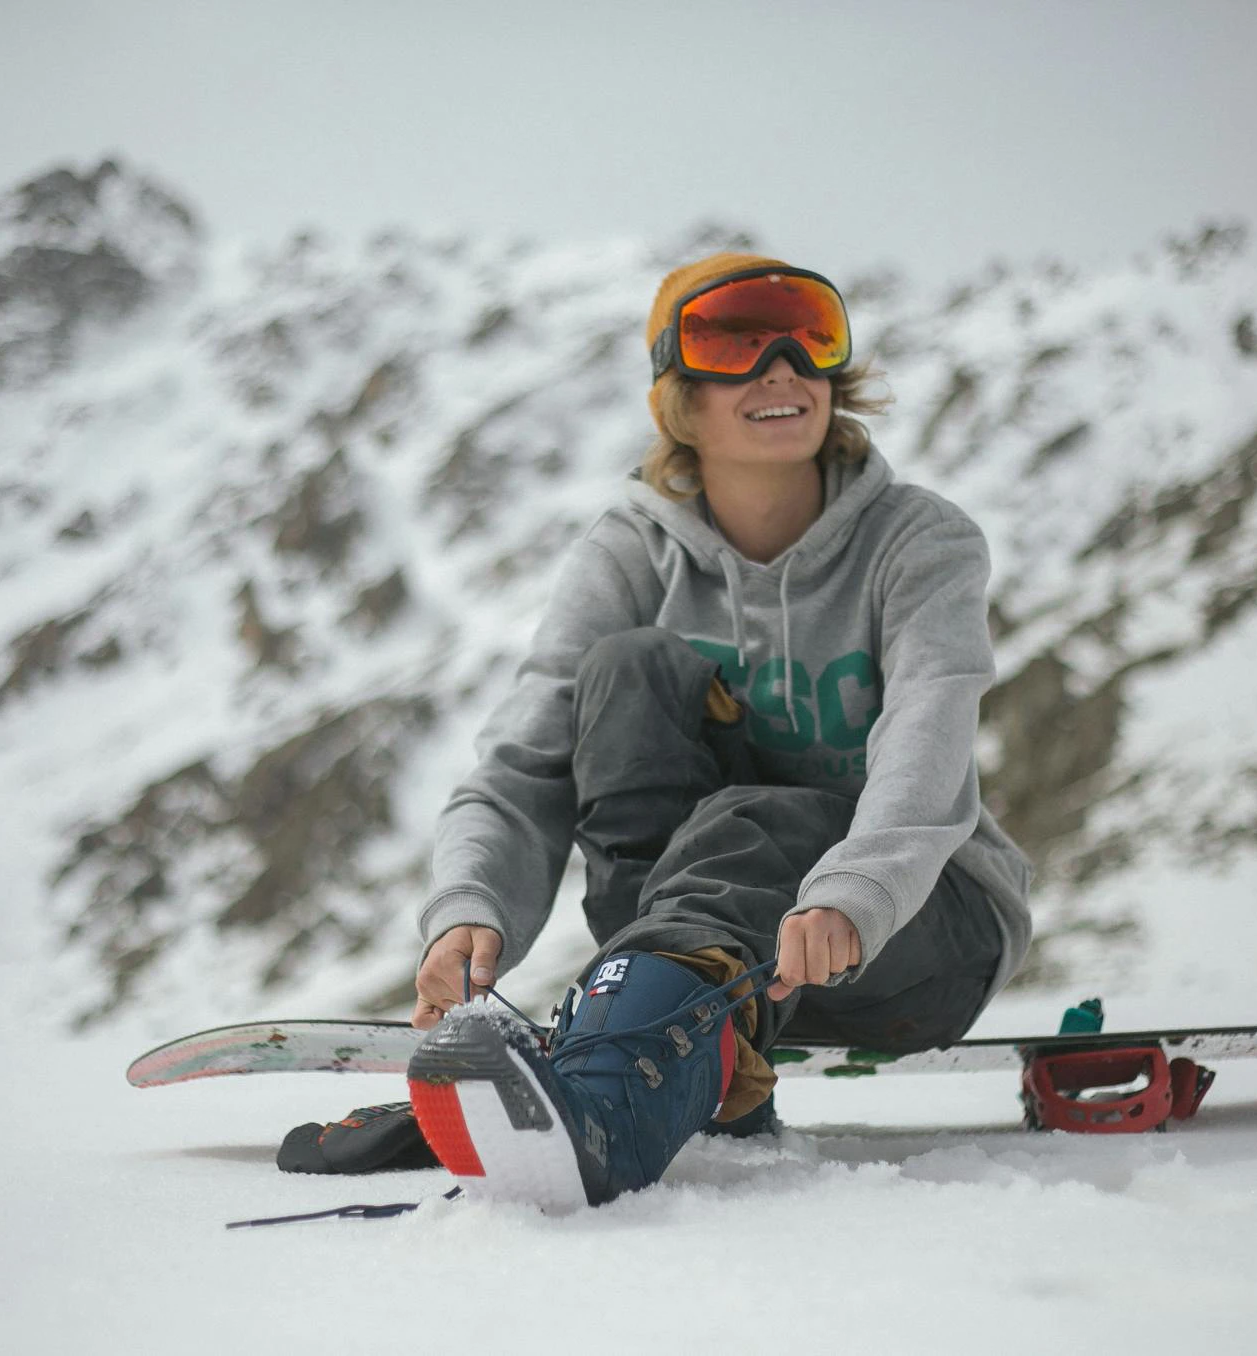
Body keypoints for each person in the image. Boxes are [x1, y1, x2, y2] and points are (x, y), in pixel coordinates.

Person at [400, 252, 1033, 1209]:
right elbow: (525, 759)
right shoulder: (633, 550)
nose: (781, 368)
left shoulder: (919, 542)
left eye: (808, 337)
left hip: (911, 932)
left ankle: (614, 1108)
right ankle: (657, 1041)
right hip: (720, 966)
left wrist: (852, 893)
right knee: (628, 671)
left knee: (762, 816)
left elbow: (929, 740)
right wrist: (469, 907)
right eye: (734, 342)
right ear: (679, 399)